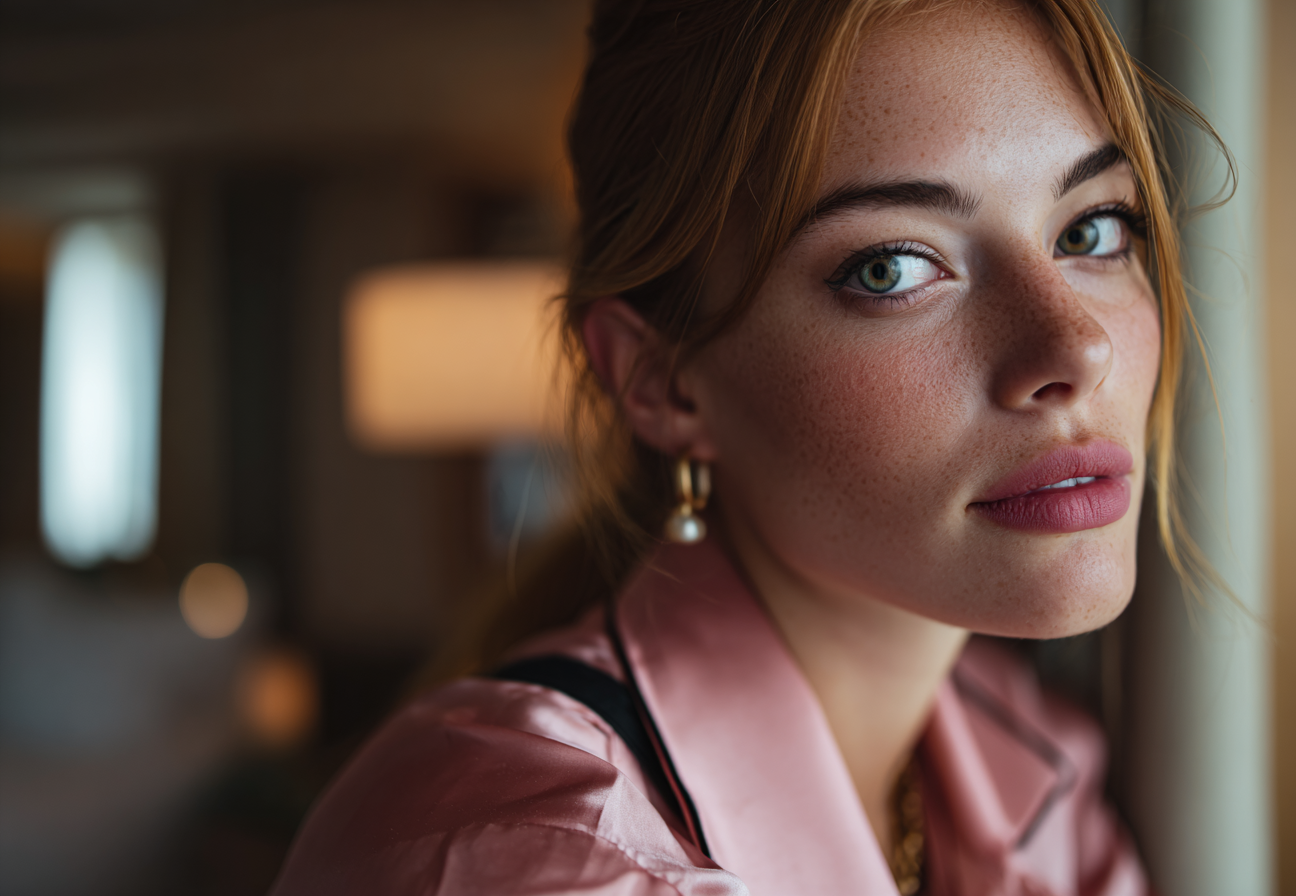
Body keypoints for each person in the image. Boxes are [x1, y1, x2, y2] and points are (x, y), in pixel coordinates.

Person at [273, 0, 1223, 893]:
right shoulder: (548, 858)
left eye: (1092, 228)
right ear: (665, 385)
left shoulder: (1030, 769)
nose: (1076, 348)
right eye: (890, 268)